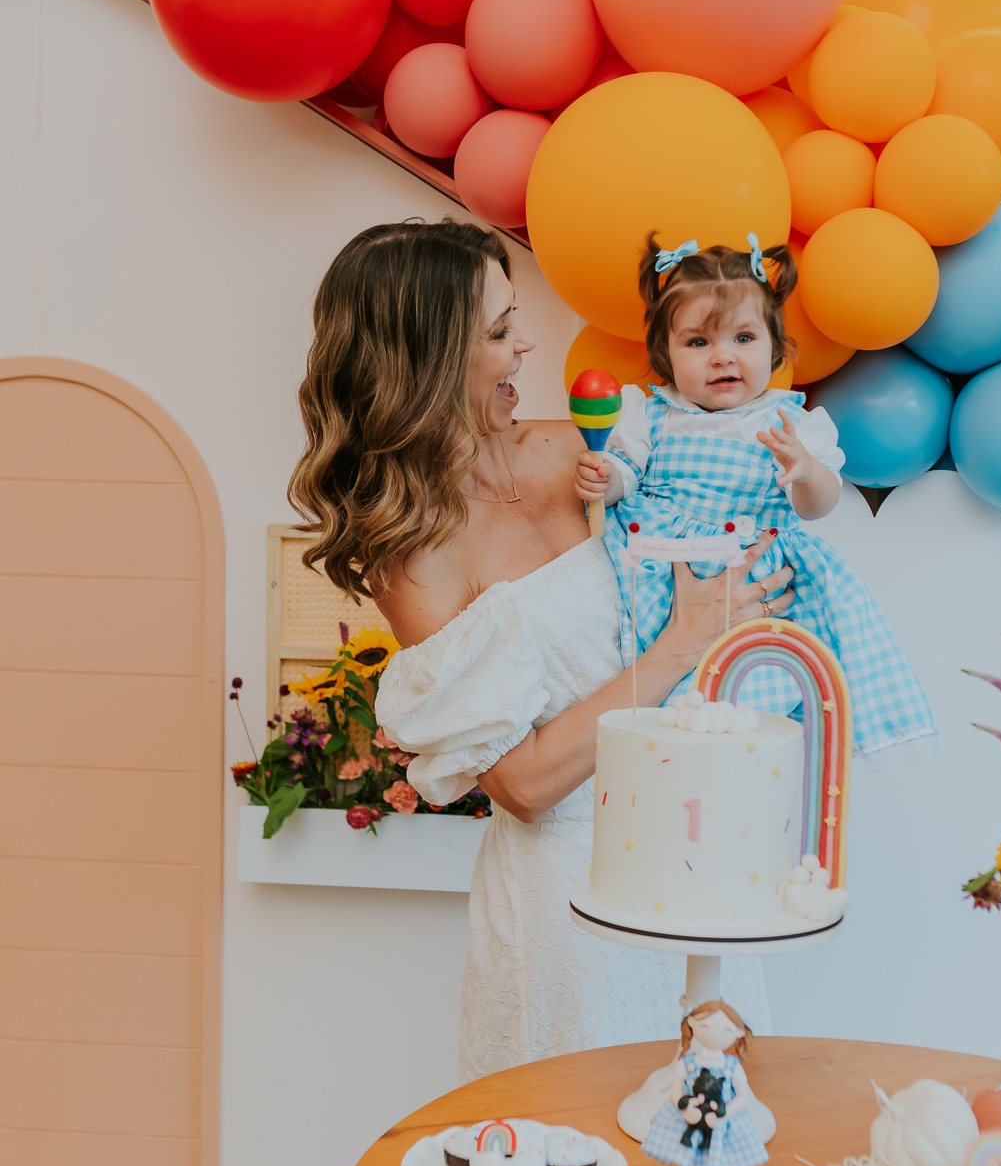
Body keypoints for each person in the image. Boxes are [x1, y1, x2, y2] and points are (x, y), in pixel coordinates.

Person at [288, 219, 795, 1081]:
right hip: (569, 909)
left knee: (720, 1132)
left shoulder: (579, 450)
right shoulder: (412, 553)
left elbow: (736, 495)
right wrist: (678, 648)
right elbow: (519, 784)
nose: (527, 343)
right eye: (497, 331)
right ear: (427, 358)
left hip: (697, 857)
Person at [574, 231, 936, 764]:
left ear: (776, 346)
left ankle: (733, 769)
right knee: (649, 696)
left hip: (750, 572)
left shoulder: (791, 425)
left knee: (742, 698)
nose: (723, 357)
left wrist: (804, 470)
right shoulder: (651, 412)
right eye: (698, 343)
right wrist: (609, 482)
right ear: (665, 355)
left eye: (743, 339)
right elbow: (628, 470)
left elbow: (818, 505)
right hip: (658, 568)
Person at [640, 1000, 767, 1166]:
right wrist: (684, 1107)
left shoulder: (732, 1066)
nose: (711, 1033)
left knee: (719, 1148)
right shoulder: (688, 1061)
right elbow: (675, 1089)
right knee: (692, 1146)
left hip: (721, 1120)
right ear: (691, 1022)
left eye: (725, 1028)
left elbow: (742, 1096)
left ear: (737, 1032)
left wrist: (724, 1115)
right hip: (691, 1115)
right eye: (704, 1026)